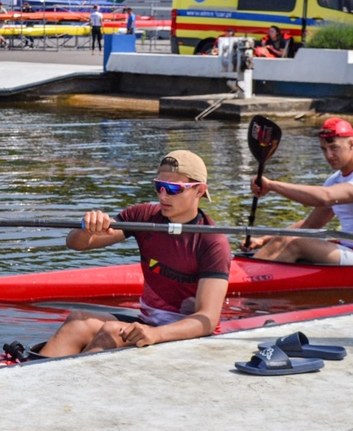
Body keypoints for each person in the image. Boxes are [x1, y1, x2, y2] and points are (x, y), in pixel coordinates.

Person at [39, 150, 232, 358]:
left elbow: (207, 319)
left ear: (199, 191)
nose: (163, 195)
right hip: (148, 323)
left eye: (173, 189)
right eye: (159, 186)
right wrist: (87, 229)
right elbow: (76, 244)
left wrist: (155, 334)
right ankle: (32, 375)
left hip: (188, 337)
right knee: (77, 321)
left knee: (111, 333)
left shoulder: (213, 242)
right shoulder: (143, 217)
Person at [243, 117, 353, 265]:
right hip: (347, 248)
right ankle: (245, 273)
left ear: (351, 144)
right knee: (286, 236)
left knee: (296, 243)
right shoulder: (334, 180)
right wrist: (263, 240)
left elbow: (325, 197)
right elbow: (311, 224)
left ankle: (250, 280)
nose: (328, 155)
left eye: (334, 148)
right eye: (324, 149)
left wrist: (271, 185)